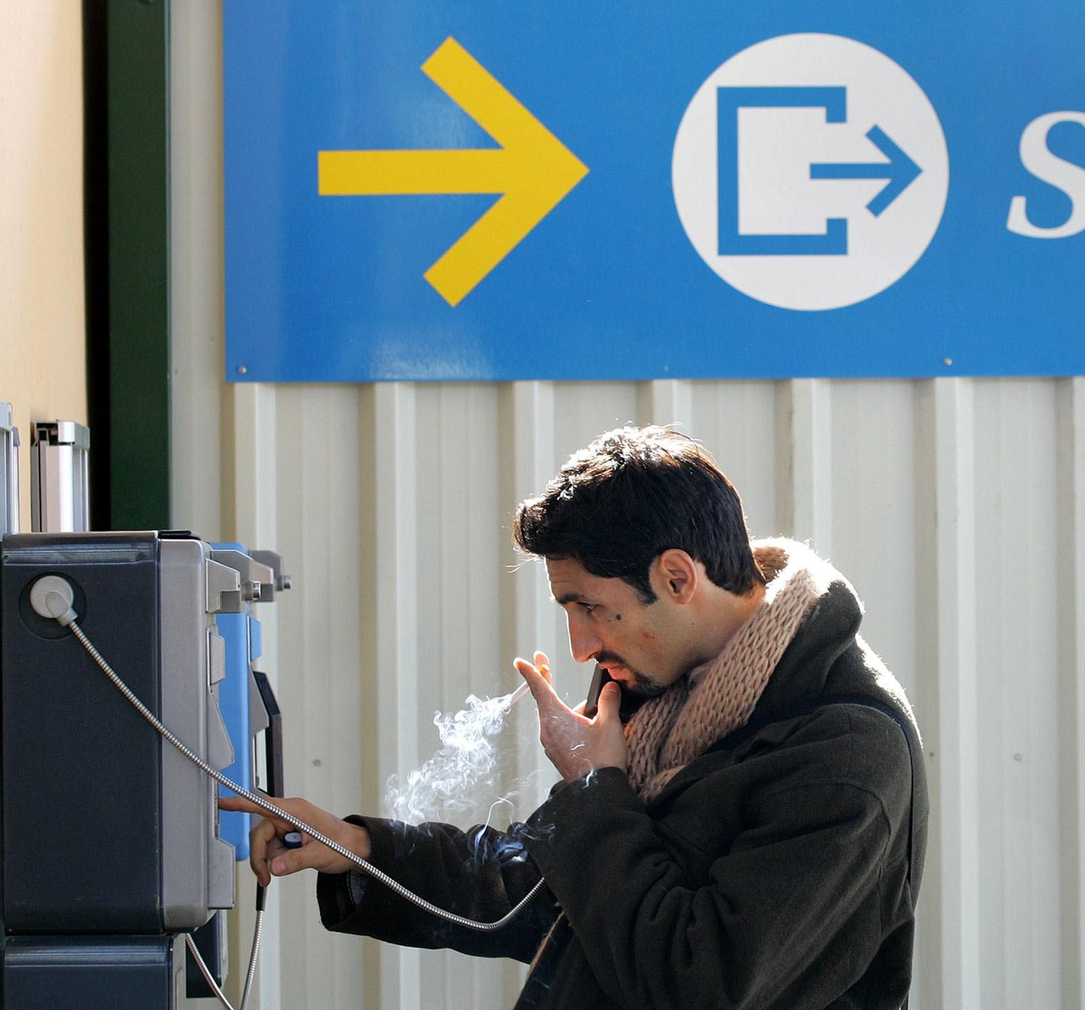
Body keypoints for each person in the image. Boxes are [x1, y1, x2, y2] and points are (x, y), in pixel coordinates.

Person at [220, 425, 927, 1009]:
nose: (583, 645)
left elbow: (697, 982)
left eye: (591, 608)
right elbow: (552, 887)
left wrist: (597, 792)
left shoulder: (845, 751)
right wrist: (359, 848)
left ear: (678, 578)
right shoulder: (654, 679)